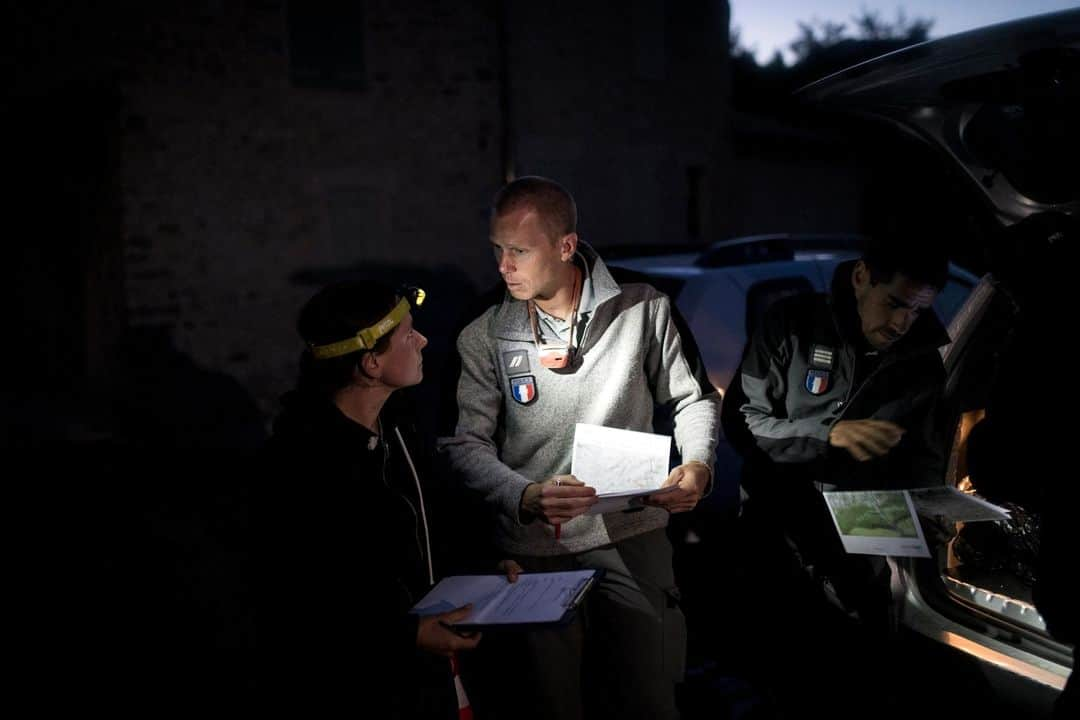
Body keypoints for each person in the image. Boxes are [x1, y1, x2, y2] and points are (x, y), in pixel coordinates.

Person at [440, 176, 721, 720]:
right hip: (531, 554)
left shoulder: (643, 306)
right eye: (497, 250)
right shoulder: (483, 329)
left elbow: (695, 399)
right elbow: (461, 443)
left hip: (632, 536)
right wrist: (524, 495)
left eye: (519, 251)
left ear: (566, 246)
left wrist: (698, 465)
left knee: (646, 701)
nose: (504, 266)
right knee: (549, 708)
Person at [723, 236, 950, 717]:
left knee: (854, 677)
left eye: (916, 311)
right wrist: (831, 433)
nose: (901, 323)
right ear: (862, 276)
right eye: (894, 304)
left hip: (865, 539)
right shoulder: (791, 324)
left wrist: (933, 516)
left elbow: (925, 461)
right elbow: (744, 421)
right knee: (777, 673)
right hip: (779, 525)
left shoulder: (923, 362)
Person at [261, 281, 486, 718]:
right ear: (371, 363)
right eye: (407, 335)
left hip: (431, 675)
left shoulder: (399, 426)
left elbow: (434, 522)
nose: (422, 340)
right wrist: (406, 634)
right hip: (363, 688)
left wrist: (486, 568)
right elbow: (308, 597)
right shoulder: (301, 464)